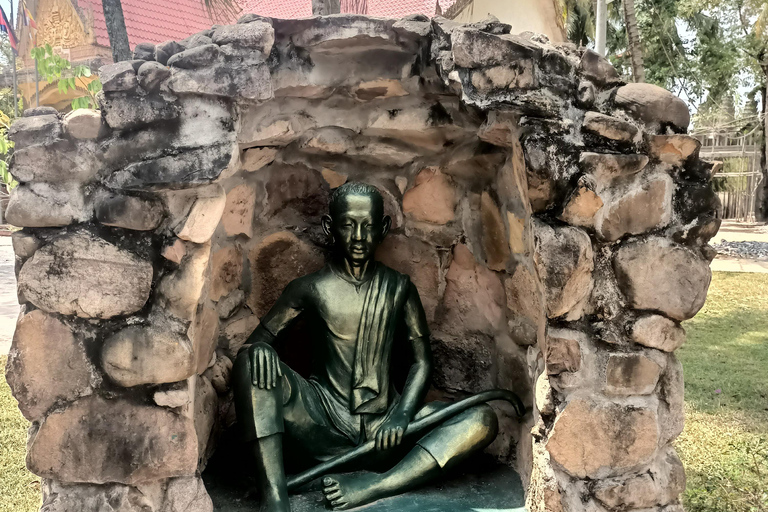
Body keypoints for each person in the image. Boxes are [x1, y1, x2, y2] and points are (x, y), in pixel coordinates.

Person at [233, 182, 499, 512]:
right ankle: (275, 496)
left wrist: (401, 415)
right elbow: (257, 342)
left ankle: (378, 484)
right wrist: (260, 350)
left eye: (368, 226)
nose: (359, 237)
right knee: (252, 363)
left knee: (481, 418)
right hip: (321, 424)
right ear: (331, 228)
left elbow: (421, 362)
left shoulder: (399, 287)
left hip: (387, 430)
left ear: (383, 228)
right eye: (348, 225)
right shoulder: (309, 288)